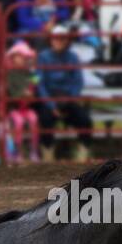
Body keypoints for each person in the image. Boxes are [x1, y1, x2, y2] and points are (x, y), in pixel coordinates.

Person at [35, 23, 93, 159]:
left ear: (67, 40)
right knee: (45, 120)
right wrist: (51, 105)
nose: (59, 41)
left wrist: (69, 100)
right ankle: (48, 155)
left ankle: (82, 155)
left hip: (68, 99)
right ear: (51, 40)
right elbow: (40, 84)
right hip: (50, 99)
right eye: (56, 38)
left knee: (85, 120)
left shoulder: (73, 57)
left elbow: (78, 82)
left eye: (62, 38)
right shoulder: (43, 57)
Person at [4, 40, 40, 162]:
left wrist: (32, 93)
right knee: (18, 122)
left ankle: (33, 150)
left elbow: (35, 83)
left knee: (34, 119)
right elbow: (10, 92)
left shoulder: (29, 73)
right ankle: (17, 151)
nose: (22, 59)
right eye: (19, 57)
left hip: (26, 107)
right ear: (12, 58)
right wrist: (22, 95)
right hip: (15, 108)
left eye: (25, 57)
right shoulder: (9, 74)